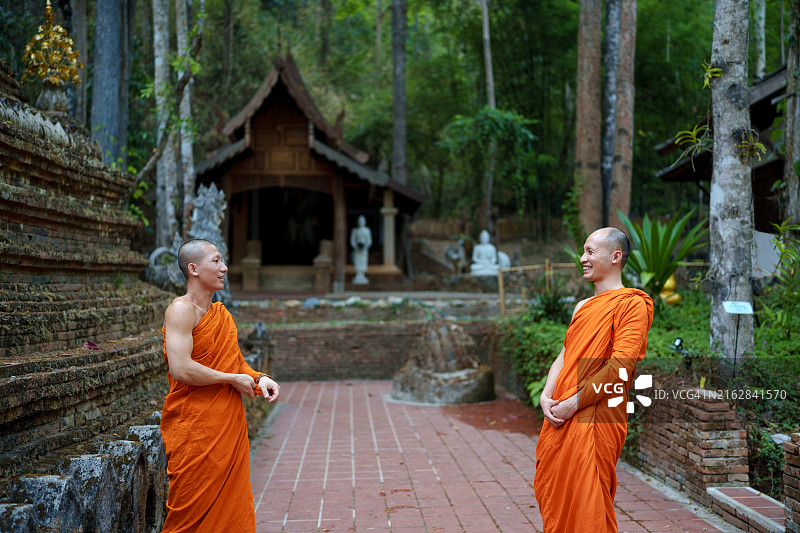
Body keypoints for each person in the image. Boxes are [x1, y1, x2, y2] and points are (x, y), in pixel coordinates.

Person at [533, 227, 653, 533]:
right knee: (558, 490)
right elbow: (564, 355)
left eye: (590, 252)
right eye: (584, 251)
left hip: (595, 415)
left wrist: (573, 404)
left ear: (615, 257)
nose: (582, 258)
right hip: (560, 412)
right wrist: (547, 396)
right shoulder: (582, 306)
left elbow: (621, 367)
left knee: (589, 499)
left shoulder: (632, 304)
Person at [160, 239, 280, 532]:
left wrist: (258, 378)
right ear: (194, 269)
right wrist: (230, 379)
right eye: (216, 261)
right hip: (195, 428)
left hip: (227, 423)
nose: (224, 268)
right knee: (189, 516)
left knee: (231, 513)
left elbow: (235, 363)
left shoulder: (221, 315)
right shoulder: (180, 311)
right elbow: (181, 368)